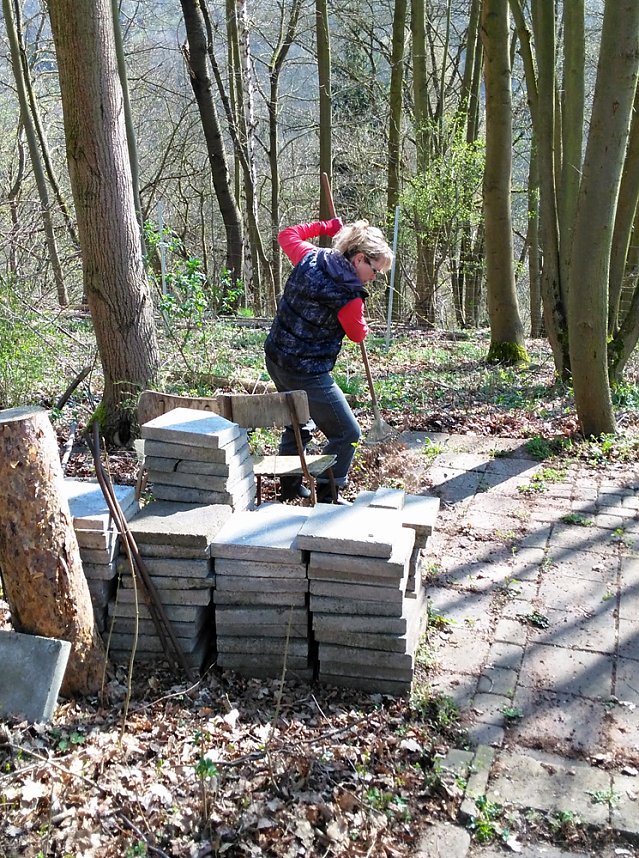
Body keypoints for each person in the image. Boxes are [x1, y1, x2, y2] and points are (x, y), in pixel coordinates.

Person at [264, 216, 393, 503]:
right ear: (359, 259)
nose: (374, 277)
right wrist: (364, 324)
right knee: (347, 432)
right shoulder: (349, 298)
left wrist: (325, 227)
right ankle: (326, 495)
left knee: (297, 422)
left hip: (275, 357)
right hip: (307, 371)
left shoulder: (311, 257)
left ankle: (289, 488)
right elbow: (357, 334)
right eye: (375, 270)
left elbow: (287, 234)